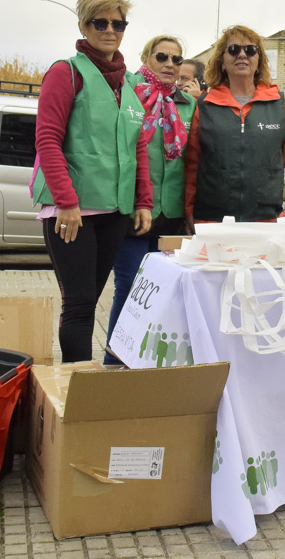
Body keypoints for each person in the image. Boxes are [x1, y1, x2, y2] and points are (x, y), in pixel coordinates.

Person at [31, 0, 152, 363]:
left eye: (118, 23)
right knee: (80, 306)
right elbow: (47, 140)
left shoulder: (130, 84)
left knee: (92, 301)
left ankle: (84, 386)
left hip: (114, 213)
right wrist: (67, 202)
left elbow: (138, 145)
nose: (110, 29)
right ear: (84, 25)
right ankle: (75, 389)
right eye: (100, 22)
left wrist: (143, 200)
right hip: (73, 214)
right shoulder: (65, 72)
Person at [104, 35, 194, 363]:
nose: (170, 64)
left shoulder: (188, 103)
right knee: (130, 290)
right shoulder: (128, 94)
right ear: (146, 57)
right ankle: (114, 365)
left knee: (164, 294)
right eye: (162, 57)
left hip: (170, 214)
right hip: (131, 211)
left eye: (176, 59)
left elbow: (192, 160)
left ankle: (148, 364)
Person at [184, 26, 285, 224]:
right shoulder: (204, 105)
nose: (242, 54)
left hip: (266, 221)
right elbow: (192, 163)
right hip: (211, 222)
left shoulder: (281, 103)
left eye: (250, 50)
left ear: (259, 61)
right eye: (233, 49)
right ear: (222, 62)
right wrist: (188, 209)